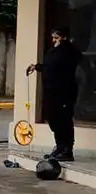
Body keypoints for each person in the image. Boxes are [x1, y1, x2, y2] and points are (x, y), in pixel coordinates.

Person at [26, 27, 82, 161]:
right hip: (51, 91)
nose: (54, 41)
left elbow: (67, 69)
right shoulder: (54, 52)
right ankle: (59, 147)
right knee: (53, 118)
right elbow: (49, 66)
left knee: (64, 120)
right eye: (53, 38)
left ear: (64, 38)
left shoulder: (69, 52)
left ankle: (67, 150)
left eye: (57, 38)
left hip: (64, 92)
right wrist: (37, 67)